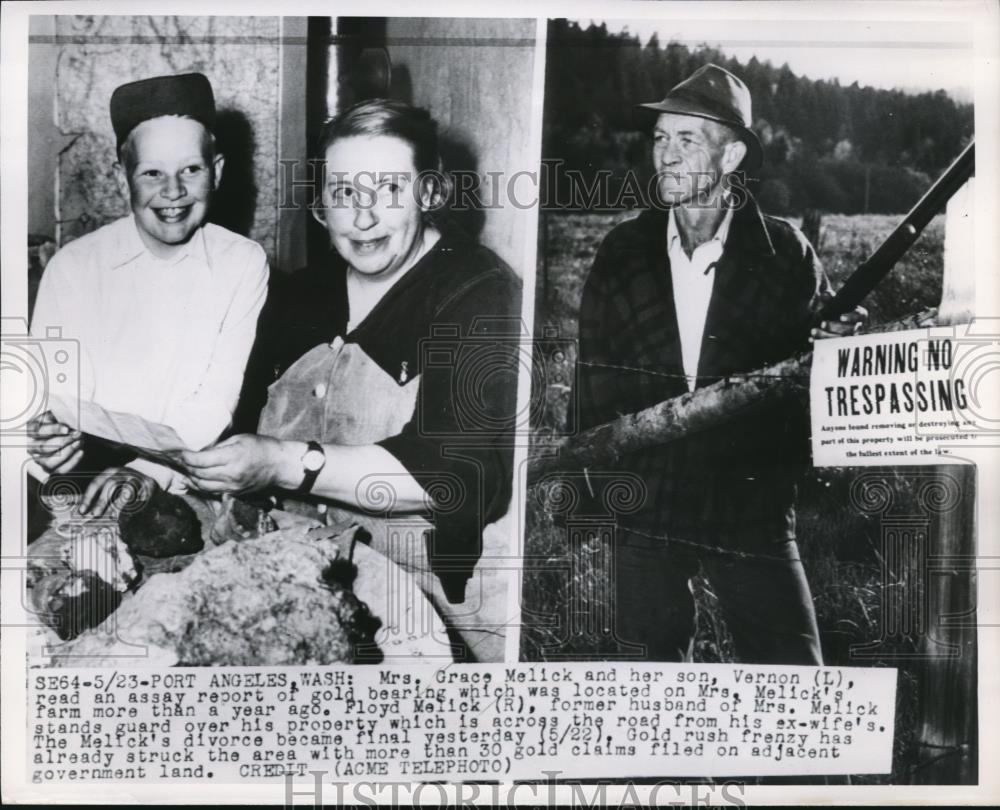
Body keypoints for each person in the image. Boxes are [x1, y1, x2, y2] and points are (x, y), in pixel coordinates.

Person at [179, 99, 522, 663]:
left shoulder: (478, 290)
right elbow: (236, 426)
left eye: (389, 190)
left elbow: (454, 475)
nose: (362, 218)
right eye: (343, 193)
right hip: (306, 572)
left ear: (430, 194)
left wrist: (284, 462)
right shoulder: (298, 295)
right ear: (322, 204)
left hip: (438, 603)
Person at [573, 64, 865, 665]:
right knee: (647, 689)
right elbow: (593, 372)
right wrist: (603, 485)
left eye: (687, 140)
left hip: (747, 499)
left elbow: (814, 379)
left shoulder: (784, 253)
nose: (667, 156)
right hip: (651, 496)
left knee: (795, 681)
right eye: (659, 138)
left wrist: (835, 343)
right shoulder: (624, 251)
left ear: (730, 157)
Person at [27, 72, 268, 515]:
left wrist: (147, 473)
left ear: (216, 172)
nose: (172, 192)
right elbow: (54, 401)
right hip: (76, 482)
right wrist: (46, 442)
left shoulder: (242, 262)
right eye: (152, 172)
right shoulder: (72, 269)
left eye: (190, 170)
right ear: (124, 179)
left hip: (182, 484)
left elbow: (212, 410)